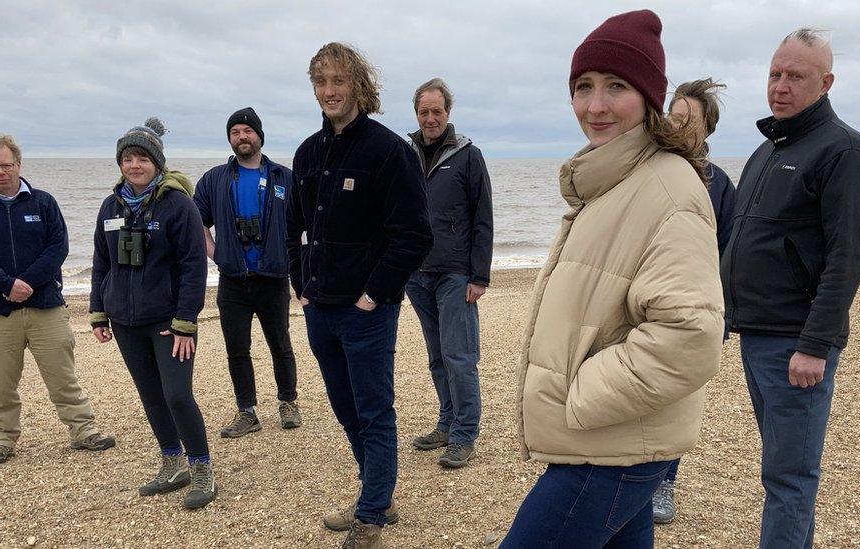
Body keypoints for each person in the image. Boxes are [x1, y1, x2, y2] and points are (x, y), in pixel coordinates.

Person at [503, 10, 724, 548]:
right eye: (583, 87)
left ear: (648, 97)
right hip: (619, 444)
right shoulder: (612, 180)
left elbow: (690, 337)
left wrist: (580, 396)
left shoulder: (668, 190)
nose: (594, 105)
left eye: (616, 86)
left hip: (610, 447)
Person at [720, 29, 860, 548]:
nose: (780, 86)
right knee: (782, 471)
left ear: (826, 82)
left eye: (795, 76)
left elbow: (847, 256)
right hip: (755, 332)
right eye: (774, 74)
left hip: (795, 342)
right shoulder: (770, 147)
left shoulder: (846, 151)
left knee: (788, 478)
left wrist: (815, 344)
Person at [286, 42, 432, 548]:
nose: (329, 91)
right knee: (345, 409)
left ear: (359, 87)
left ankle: (370, 517)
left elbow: (414, 235)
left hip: (367, 311)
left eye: (338, 81)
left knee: (373, 410)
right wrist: (299, 285)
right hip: (319, 307)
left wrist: (374, 294)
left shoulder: (390, 151)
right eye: (321, 83)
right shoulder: (307, 153)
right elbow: (294, 230)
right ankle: (378, 493)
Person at [0, 132, 115, 466]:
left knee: (63, 376)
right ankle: (0, 439)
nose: (0, 171)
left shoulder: (43, 202)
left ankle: (84, 431)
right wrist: (6, 284)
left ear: (19, 163)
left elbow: (58, 247)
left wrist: (26, 282)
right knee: (0, 382)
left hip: (45, 306)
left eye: (6, 164)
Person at [89, 118, 217, 510]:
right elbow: (101, 260)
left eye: (142, 157)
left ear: (157, 162)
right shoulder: (111, 205)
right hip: (126, 320)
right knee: (150, 395)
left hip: (169, 321)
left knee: (177, 394)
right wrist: (98, 310)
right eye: (127, 158)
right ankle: (171, 463)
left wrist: (185, 321)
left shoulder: (178, 204)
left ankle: (201, 469)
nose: (134, 165)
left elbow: (195, 265)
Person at [652, 77, 738, 524]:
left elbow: (731, 254)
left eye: (690, 121)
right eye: (674, 117)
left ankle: (665, 481)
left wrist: (723, 317)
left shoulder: (719, 184)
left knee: (680, 398)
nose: (679, 126)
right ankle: (632, 474)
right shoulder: (649, 167)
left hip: (695, 309)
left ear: (707, 129)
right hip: (645, 305)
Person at [194, 107, 301, 439]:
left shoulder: (284, 177)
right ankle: (247, 411)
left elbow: (305, 225)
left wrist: (299, 263)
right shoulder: (215, 179)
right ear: (230, 139)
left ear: (259, 136)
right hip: (233, 280)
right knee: (237, 348)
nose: (242, 137)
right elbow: (196, 221)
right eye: (235, 132)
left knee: (280, 344)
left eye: (247, 131)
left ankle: (288, 402)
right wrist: (216, 253)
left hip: (273, 277)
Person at [405, 78, 493, 469]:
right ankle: (446, 421)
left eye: (436, 111)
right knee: (437, 356)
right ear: (417, 114)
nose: (430, 118)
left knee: (459, 356)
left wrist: (480, 275)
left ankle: (464, 433)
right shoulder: (405, 155)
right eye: (424, 111)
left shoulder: (468, 156)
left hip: (456, 273)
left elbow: (483, 219)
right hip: (416, 273)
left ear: (448, 112)